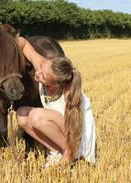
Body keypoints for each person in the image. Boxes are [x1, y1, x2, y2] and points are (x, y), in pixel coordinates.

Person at [16, 37, 96, 168]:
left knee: (37, 117)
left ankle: (73, 157)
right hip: (59, 127)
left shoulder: (69, 94)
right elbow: (23, 43)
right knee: (22, 115)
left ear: (55, 85)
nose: (37, 73)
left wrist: (66, 159)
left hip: (78, 138)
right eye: (41, 67)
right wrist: (9, 44)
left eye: (43, 76)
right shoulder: (44, 67)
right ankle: (55, 150)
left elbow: (75, 131)